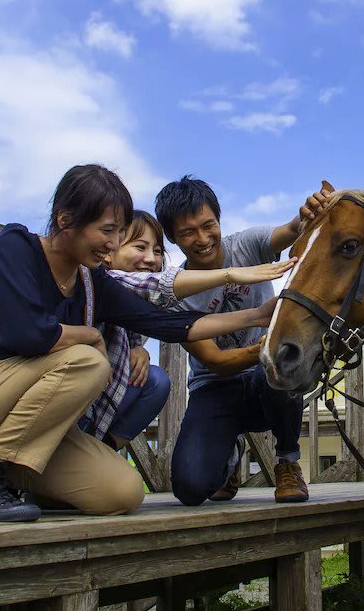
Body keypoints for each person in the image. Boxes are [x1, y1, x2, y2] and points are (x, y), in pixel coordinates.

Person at [0, 164, 293, 522]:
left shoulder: (92, 283)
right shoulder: (17, 247)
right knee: (88, 360)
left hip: (16, 432)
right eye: (108, 231)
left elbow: (169, 324)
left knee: (120, 493)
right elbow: (27, 334)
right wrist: (89, 335)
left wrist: (258, 316)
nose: (113, 243)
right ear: (65, 220)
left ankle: (12, 477)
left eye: (120, 232)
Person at [147, 175, 329, 505]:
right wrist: (266, 345)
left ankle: (287, 461)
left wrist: (305, 218)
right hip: (214, 386)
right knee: (190, 488)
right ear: (173, 238)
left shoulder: (245, 245)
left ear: (219, 220)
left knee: (280, 365)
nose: (202, 238)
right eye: (188, 232)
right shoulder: (176, 290)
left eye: (208, 225)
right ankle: (228, 458)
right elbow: (215, 361)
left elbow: (289, 231)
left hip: (266, 381)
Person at [78, 210, 171, 451]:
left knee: (155, 381)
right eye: (140, 247)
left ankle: (103, 451)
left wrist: (138, 346)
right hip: (72, 403)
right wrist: (229, 274)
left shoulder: (136, 308)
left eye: (158, 251)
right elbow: (156, 287)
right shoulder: (102, 281)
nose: (151, 259)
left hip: (96, 409)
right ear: (109, 252)